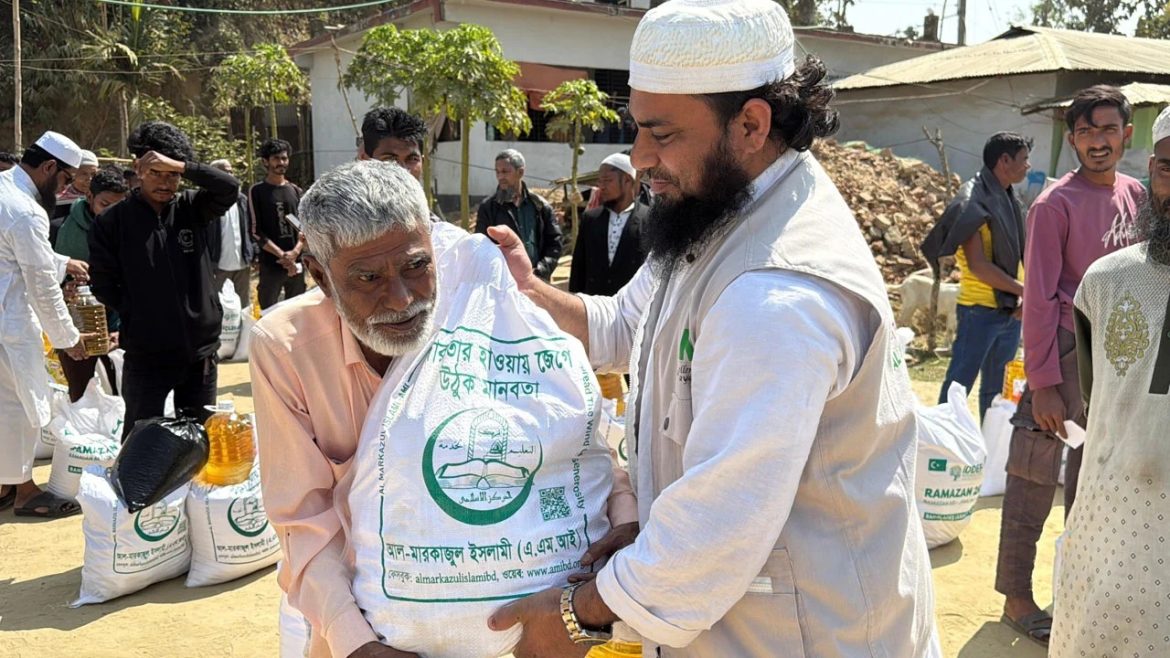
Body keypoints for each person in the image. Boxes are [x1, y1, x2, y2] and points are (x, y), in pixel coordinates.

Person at [487, 1, 938, 656]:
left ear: (751, 124)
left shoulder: (775, 297)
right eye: (637, 130)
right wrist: (530, 291)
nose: (640, 159)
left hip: (807, 636)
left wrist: (576, 614)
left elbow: (714, 528)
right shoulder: (715, 212)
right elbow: (626, 326)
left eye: (663, 135)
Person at [250, 160, 636, 658]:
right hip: (373, 631)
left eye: (417, 266)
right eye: (368, 277)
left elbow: (576, 447)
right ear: (322, 277)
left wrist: (624, 517)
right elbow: (303, 521)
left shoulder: (487, 320)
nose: (401, 298)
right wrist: (356, 643)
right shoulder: (288, 350)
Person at [995, 85, 1145, 646]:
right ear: (1073, 139)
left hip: (1117, 358)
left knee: (1095, 480)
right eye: (1085, 132)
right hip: (1063, 352)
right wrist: (1044, 384)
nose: (1097, 142)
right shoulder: (1054, 204)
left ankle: (1078, 593)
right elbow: (1037, 299)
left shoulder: (1136, 195)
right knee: (1033, 474)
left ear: (1127, 134)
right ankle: (1016, 596)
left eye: (1107, 130)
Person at [1049, 106, 1170, 658]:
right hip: (1110, 527)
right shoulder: (1107, 281)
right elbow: (1099, 401)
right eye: (1169, 169)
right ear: (1152, 171)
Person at [89, 121, 240, 437]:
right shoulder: (112, 222)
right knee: (142, 440)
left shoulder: (192, 207)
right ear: (138, 169)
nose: (165, 182)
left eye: (172, 174)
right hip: (147, 355)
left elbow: (229, 187)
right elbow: (103, 284)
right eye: (156, 172)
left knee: (197, 440)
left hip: (199, 352)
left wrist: (183, 165)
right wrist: (139, 312)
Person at [0, 131, 92, 518]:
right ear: (50, 167)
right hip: (10, 326)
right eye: (66, 179)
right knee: (20, 406)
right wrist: (67, 337)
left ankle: (5, 484)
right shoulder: (25, 209)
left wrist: (62, 262)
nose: (65, 188)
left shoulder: (4, 190)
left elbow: (11, 252)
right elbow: (40, 284)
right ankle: (24, 493)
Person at [922, 132, 1031, 420]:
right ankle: (941, 442)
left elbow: (1020, 256)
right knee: (958, 387)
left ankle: (989, 444)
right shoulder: (974, 201)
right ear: (1004, 161)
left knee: (996, 394)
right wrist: (1024, 291)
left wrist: (1023, 296)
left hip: (1009, 311)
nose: (1028, 166)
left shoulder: (1008, 198)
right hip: (979, 313)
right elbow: (978, 266)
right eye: (1024, 159)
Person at [53, 166, 129, 402]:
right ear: (89, 197)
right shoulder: (59, 228)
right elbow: (44, 279)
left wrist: (122, 327)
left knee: (123, 395)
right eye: (104, 205)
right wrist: (64, 289)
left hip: (121, 326)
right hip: (79, 327)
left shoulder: (131, 230)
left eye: (119, 206)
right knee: (81, 396)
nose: (111, 213)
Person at [475, 149, 562, 281]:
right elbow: (481, 247)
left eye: (505, 171)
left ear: (520, 172)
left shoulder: (539, 206)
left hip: (537, 281)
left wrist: (541, 270)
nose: (500, 177)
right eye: (497, 172)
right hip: (504, 282)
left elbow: (554, 242)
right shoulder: (488, 208)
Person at [569, 153, 648, 297]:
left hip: (632, 305)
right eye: (599, 182)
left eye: (607, 180)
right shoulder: (590, 219)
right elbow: (579, 268)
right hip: (595, 304)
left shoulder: (648, 220)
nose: (601, 187)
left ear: (627, 180)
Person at [250, 138, 306, 310]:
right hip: (271, 265)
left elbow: (302, 227)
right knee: (268, 313)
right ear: (265, 161)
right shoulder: (257, 191)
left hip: (296, 265)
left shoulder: (295, 191)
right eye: (276, 158)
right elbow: (256, 231)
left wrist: (294, 253)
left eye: (284, 158)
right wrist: (282, 255)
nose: (281, 162)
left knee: (297, 312)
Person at [207, 159, 255, 308]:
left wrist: (253, 254)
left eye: (231, 171)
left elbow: (250, 229)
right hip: (218, 266)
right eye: (225, 172)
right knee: (217, 308)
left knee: (243, 307)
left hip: (242, 265)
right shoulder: (206, 201)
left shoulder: (242, 200)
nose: (230, 175)